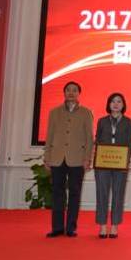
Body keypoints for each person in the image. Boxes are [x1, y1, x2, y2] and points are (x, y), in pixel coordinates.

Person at [43, 81, 93, 238]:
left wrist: (87, 159)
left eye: (74, 90)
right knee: (57, 193)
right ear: (64, 93)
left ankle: (71, 227)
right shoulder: (54, 112)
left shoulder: (86, 113)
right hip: (57, 158)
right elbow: (49, 136)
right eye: (68, 90)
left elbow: (89, 139)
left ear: (79, 94)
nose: (71, 93)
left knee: (74, 193)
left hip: (77, 159)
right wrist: (47, 157)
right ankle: (57, 227)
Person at [94, 92, 131, 239]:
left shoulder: (128, 122)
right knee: (102, 194)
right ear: (108, 104)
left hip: (120, 164)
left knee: (118, 194)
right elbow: (98, 141)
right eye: (113, 101)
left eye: (119, 101)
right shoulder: (102, 121)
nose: (116, 104)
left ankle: (115, 226)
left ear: (123, 105)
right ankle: (102, 225)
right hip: (102, 163)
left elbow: (130, 144)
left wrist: (125, 160)